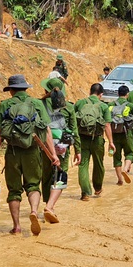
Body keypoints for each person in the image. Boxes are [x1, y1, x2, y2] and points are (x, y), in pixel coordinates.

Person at [0, 74, 59, 236]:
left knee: (14, 191)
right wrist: (53, 154)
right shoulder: (36, 103)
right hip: (33, 151)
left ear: (11, 91)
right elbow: (46, 130)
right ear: (25, 88)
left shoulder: (5, 105)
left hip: (13, 152)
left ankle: (16, 226)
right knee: (33, 185)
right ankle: (34, 212)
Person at [39, 77, 81, 223]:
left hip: (44, 147)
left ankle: (46, 204)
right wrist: (78, 150)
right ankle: (50, 206)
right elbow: (74, 130)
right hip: (62, 147)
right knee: (60, 176)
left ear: (45, 89)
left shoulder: (40, 104)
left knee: (46, 176)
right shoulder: (68, 106)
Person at [74, 83, 115, 201]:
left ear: (90, 91)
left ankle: (85, 193)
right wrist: (111, 141)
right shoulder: (103, 106)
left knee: (83, 165)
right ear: (101, 95)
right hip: (97, 139)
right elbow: (107, 125)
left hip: (82, 139)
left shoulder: (80, 103)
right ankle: (97, 188)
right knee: (98, 164)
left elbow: (73, 121)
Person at [110, 85, 133, 185]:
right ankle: (125, 169)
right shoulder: (130, 105)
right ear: (127, 94)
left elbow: (107, 122)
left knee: (116, 157)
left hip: (114, 135)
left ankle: (120, 180)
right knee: (129, 153)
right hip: (127, 134)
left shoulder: (111, 105)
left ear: (118, 94)